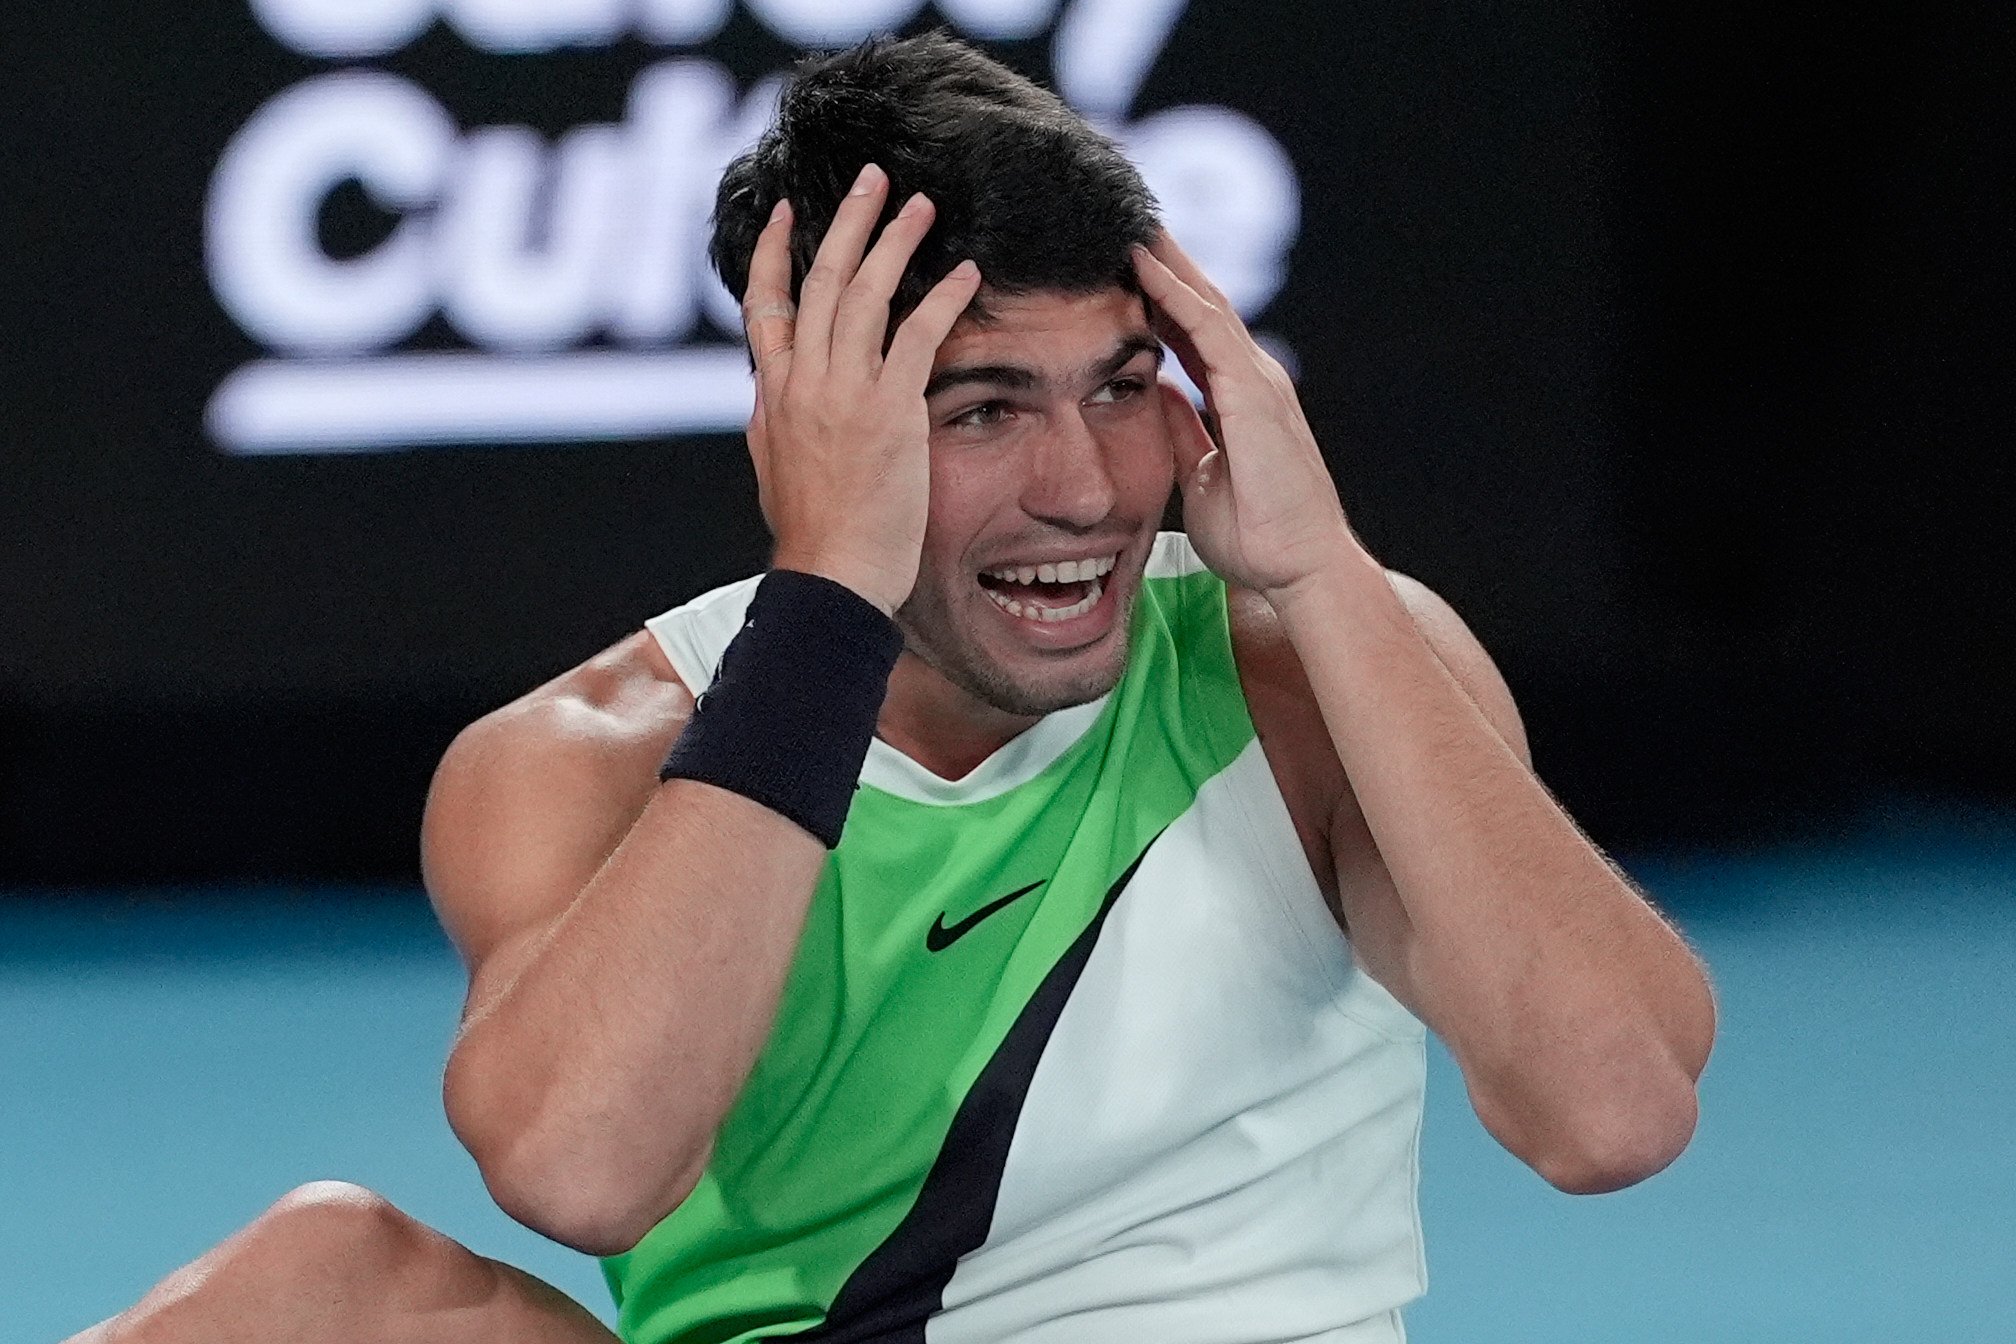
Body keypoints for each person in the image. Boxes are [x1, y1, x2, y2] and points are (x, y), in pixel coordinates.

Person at [69, 31, 1715, 1344]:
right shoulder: (582, 757)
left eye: (1125, 387)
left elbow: (1613, 1113)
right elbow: (581, 1171)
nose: (1085, 486)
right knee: (317, 1285)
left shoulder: (1317, 669)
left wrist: (1329, 575)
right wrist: (827, 595)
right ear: (810, 422)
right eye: (985, 408)